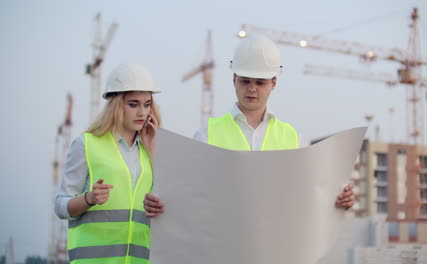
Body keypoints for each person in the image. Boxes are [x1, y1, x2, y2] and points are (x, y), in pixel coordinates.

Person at [194, 35, 355, 209]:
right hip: (223, 235)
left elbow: (310, 196)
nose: (252, 89)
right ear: (234, 80)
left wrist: (339, 200)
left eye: (260, 83)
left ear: (274, 83)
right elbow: (191, 193)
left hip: (279, 236)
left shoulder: (295, 141)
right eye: (245, 81)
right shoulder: (206, 136)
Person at [55, 64, 165, 264]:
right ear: (115, 104)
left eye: (147, 104)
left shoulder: (153, 150)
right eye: (133, 104)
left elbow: (171, 203)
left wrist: (153, 150)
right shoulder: (86, 145)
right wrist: (88, 198)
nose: (142, 112)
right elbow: (61, 206)